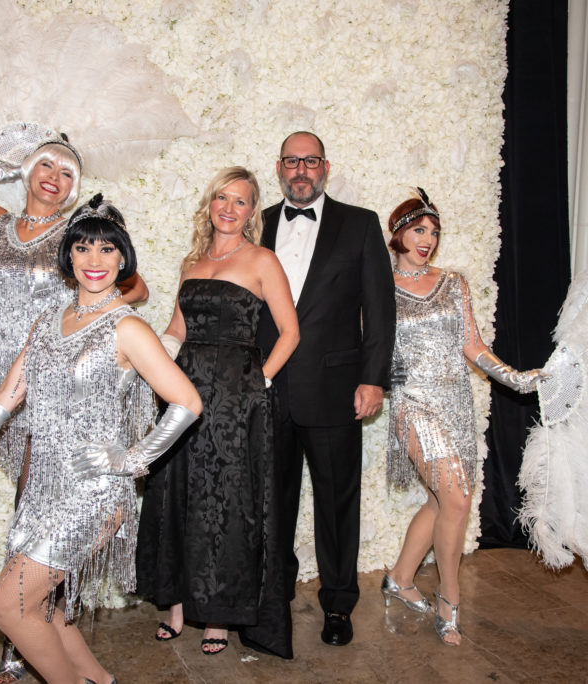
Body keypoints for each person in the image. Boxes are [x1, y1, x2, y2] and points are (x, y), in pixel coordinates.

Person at [0, 194, 201, 684]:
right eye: (83, 247)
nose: (94, 260)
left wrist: (130, 459)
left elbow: (188, 402)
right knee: (42, 610)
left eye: (107, 250)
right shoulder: (46, 324)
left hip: (92, 494)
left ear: (123, 259)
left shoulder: (127, 327)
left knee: (6, 604)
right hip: (42, 490)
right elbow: (5, 397)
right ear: (68, 256)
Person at [136, 167, 299, 657]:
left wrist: (259, 382)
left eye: (241, 201)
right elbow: (176, 330)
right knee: (177, 494)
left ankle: (219, 615)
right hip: (183, 392)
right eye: (221, 198)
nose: (228, 208)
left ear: (252, 212)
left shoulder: (262, 260)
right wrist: (142, 363)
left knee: (226, 503)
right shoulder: (192, 262)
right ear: (211, 205)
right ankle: (179, 606)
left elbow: (290, 333)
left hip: (235, 404)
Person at [382, 190, 541, 645]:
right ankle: (449, 597)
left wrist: (516, 379)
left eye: (433, 232)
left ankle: (400, 576)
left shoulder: (454, 282)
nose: (427, 239)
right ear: (398, 234)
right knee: (456, 499)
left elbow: (472, 346)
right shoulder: (379, 285)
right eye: (418, 230)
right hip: (412, 404)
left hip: (455, 404)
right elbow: (368, 345)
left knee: (440, 501)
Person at [256, 132, 396, 647]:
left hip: (337, 389)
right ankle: (275, 593)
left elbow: (380, 309)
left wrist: (373, 377)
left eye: (310, 161)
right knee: (273, 501)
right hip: (266, 388)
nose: (301, 170)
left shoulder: (359, 225)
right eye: (292, 161)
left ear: (325, 167)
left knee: (337, 503)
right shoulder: (257, 222)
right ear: (278, 168)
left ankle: (338, 604)